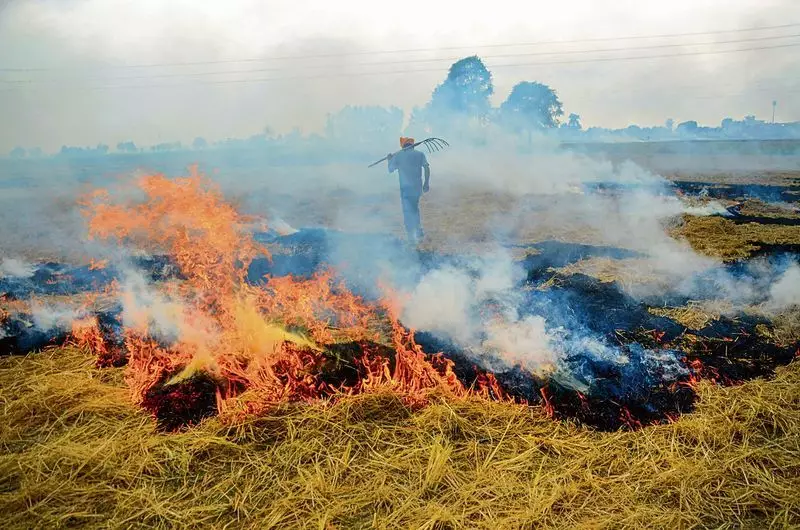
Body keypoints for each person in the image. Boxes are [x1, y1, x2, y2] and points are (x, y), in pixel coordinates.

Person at [387, 137, 430, 245]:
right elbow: (426, 168)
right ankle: (418, 231)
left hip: (405, 188)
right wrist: (426, 183)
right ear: (412, 145)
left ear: (403, 146)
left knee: (407, 211)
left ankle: (411, 235)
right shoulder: (420, 154)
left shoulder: (398, 156)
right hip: (417, 188)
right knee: (414, 209)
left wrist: (389, 159)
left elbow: (390, 169)